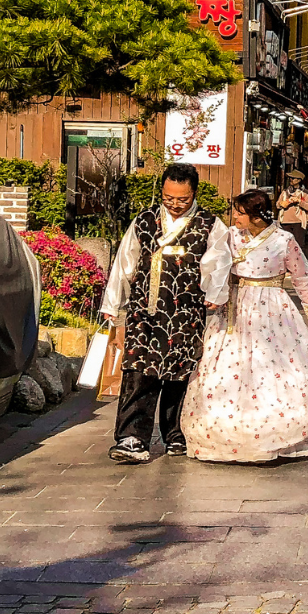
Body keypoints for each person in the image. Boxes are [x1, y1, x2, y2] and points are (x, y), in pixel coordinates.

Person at [180, 190, 308, 463]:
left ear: (256, 215)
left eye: (239, 212)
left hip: (272, 311)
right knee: (224, 370)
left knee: (274, 368)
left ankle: (276, 434)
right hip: (233, 308)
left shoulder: (284, 241)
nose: (234, 217)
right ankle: (223, 435)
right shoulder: (229, 237)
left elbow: (303, 278)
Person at [99, 163, 231, 464]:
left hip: (186, 312)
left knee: (180, 375)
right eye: (168, 198)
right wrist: (113, 306)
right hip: (144, 311)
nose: (174, 205)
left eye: (182, 199)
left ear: (194, 193)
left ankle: (176, 434)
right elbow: (124, 263)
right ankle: (132, 437)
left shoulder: (210, 224)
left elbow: (220, 262)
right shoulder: (144, 220)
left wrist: (215, 294)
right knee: (139, 373)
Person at [276, 169, 308, 250]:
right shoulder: (285, 192)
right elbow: (277, 205)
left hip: (298, 222)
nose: (290, 180)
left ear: (299, 180)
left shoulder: (305, 193)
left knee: (298, 245)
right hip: (285, 221)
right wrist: (282, 204)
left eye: (293, 178)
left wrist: (299, 202)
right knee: (284, 245)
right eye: (290, 178)